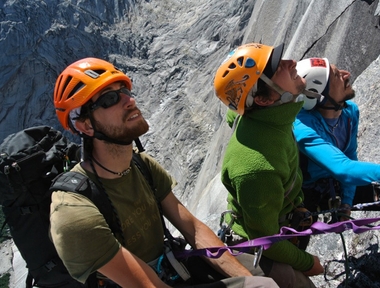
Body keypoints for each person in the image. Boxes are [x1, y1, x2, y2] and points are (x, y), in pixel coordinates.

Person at [50, 57, 280, 288]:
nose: (129, 101)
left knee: (282, 276)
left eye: (125, 90)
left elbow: (193, 229)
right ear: (85, 126)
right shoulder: (73, 211)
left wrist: (248, 279)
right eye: (110, 98)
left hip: (170, 268)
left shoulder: (141, 165)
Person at [293, 57, 380, 285]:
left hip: (336, 187)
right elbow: (344, 169)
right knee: (293, 258)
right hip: (305, 197)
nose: (346, 73)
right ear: (320, 93)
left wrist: (346, 201)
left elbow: (349, 157)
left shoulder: (349, 112)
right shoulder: (302, 125)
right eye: (336, 75)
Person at [213, 43, 324, 288]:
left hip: (280, 217)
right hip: (258, 241)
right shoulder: (257, 168)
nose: (292, 62)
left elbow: (235, 113)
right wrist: (307, 263)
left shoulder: (266, 115)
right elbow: (265, 238)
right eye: (276, 69)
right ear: (263, 99)